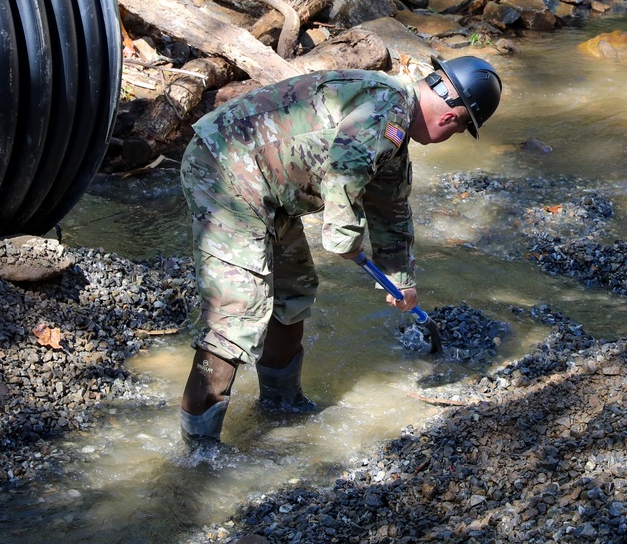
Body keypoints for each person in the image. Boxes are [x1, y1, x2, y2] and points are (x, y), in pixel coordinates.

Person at [178, 55, 503, 444]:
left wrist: (401, 280)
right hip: (225, 168)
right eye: (460, 130)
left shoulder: (394, 131)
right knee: (236, 315)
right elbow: (344, 169)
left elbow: (391, 209)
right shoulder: (388, 111)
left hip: (267, 186)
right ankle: (198, 453)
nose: (451, 136)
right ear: (452, 119)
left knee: (294, 289)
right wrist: (345, 236)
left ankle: (282, 405)